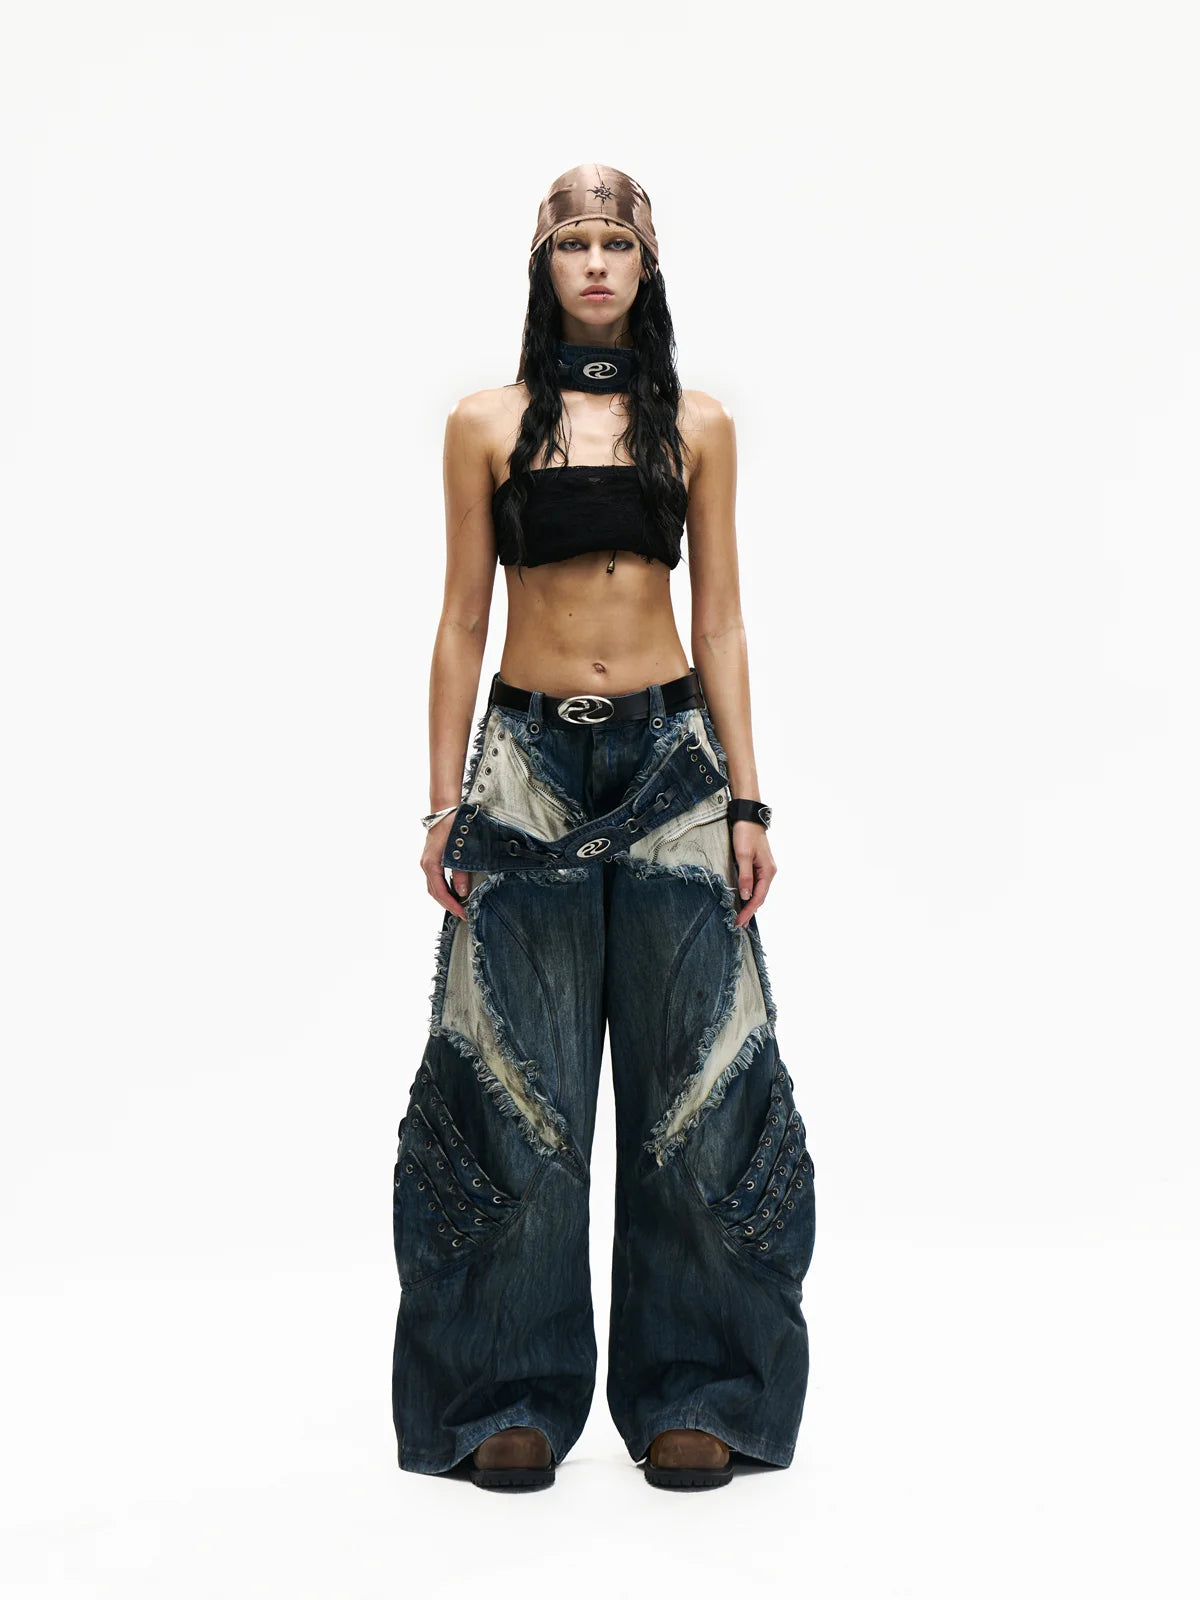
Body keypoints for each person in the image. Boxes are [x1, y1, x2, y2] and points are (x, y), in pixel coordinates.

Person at [391, 162, 816, 1492]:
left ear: (645, 266)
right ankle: (504, 1391)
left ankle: (700, 1388)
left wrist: (748, 797)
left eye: (613, 244)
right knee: (516, 1086)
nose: (593, 263)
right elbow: (462, 616)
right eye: (571, 242)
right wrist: (443, 801)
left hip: (673, 762)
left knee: (696, 1084)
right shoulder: (483, 423)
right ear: (544, 266)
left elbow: (723, 620)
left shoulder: (697, 425)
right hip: (525, 766)